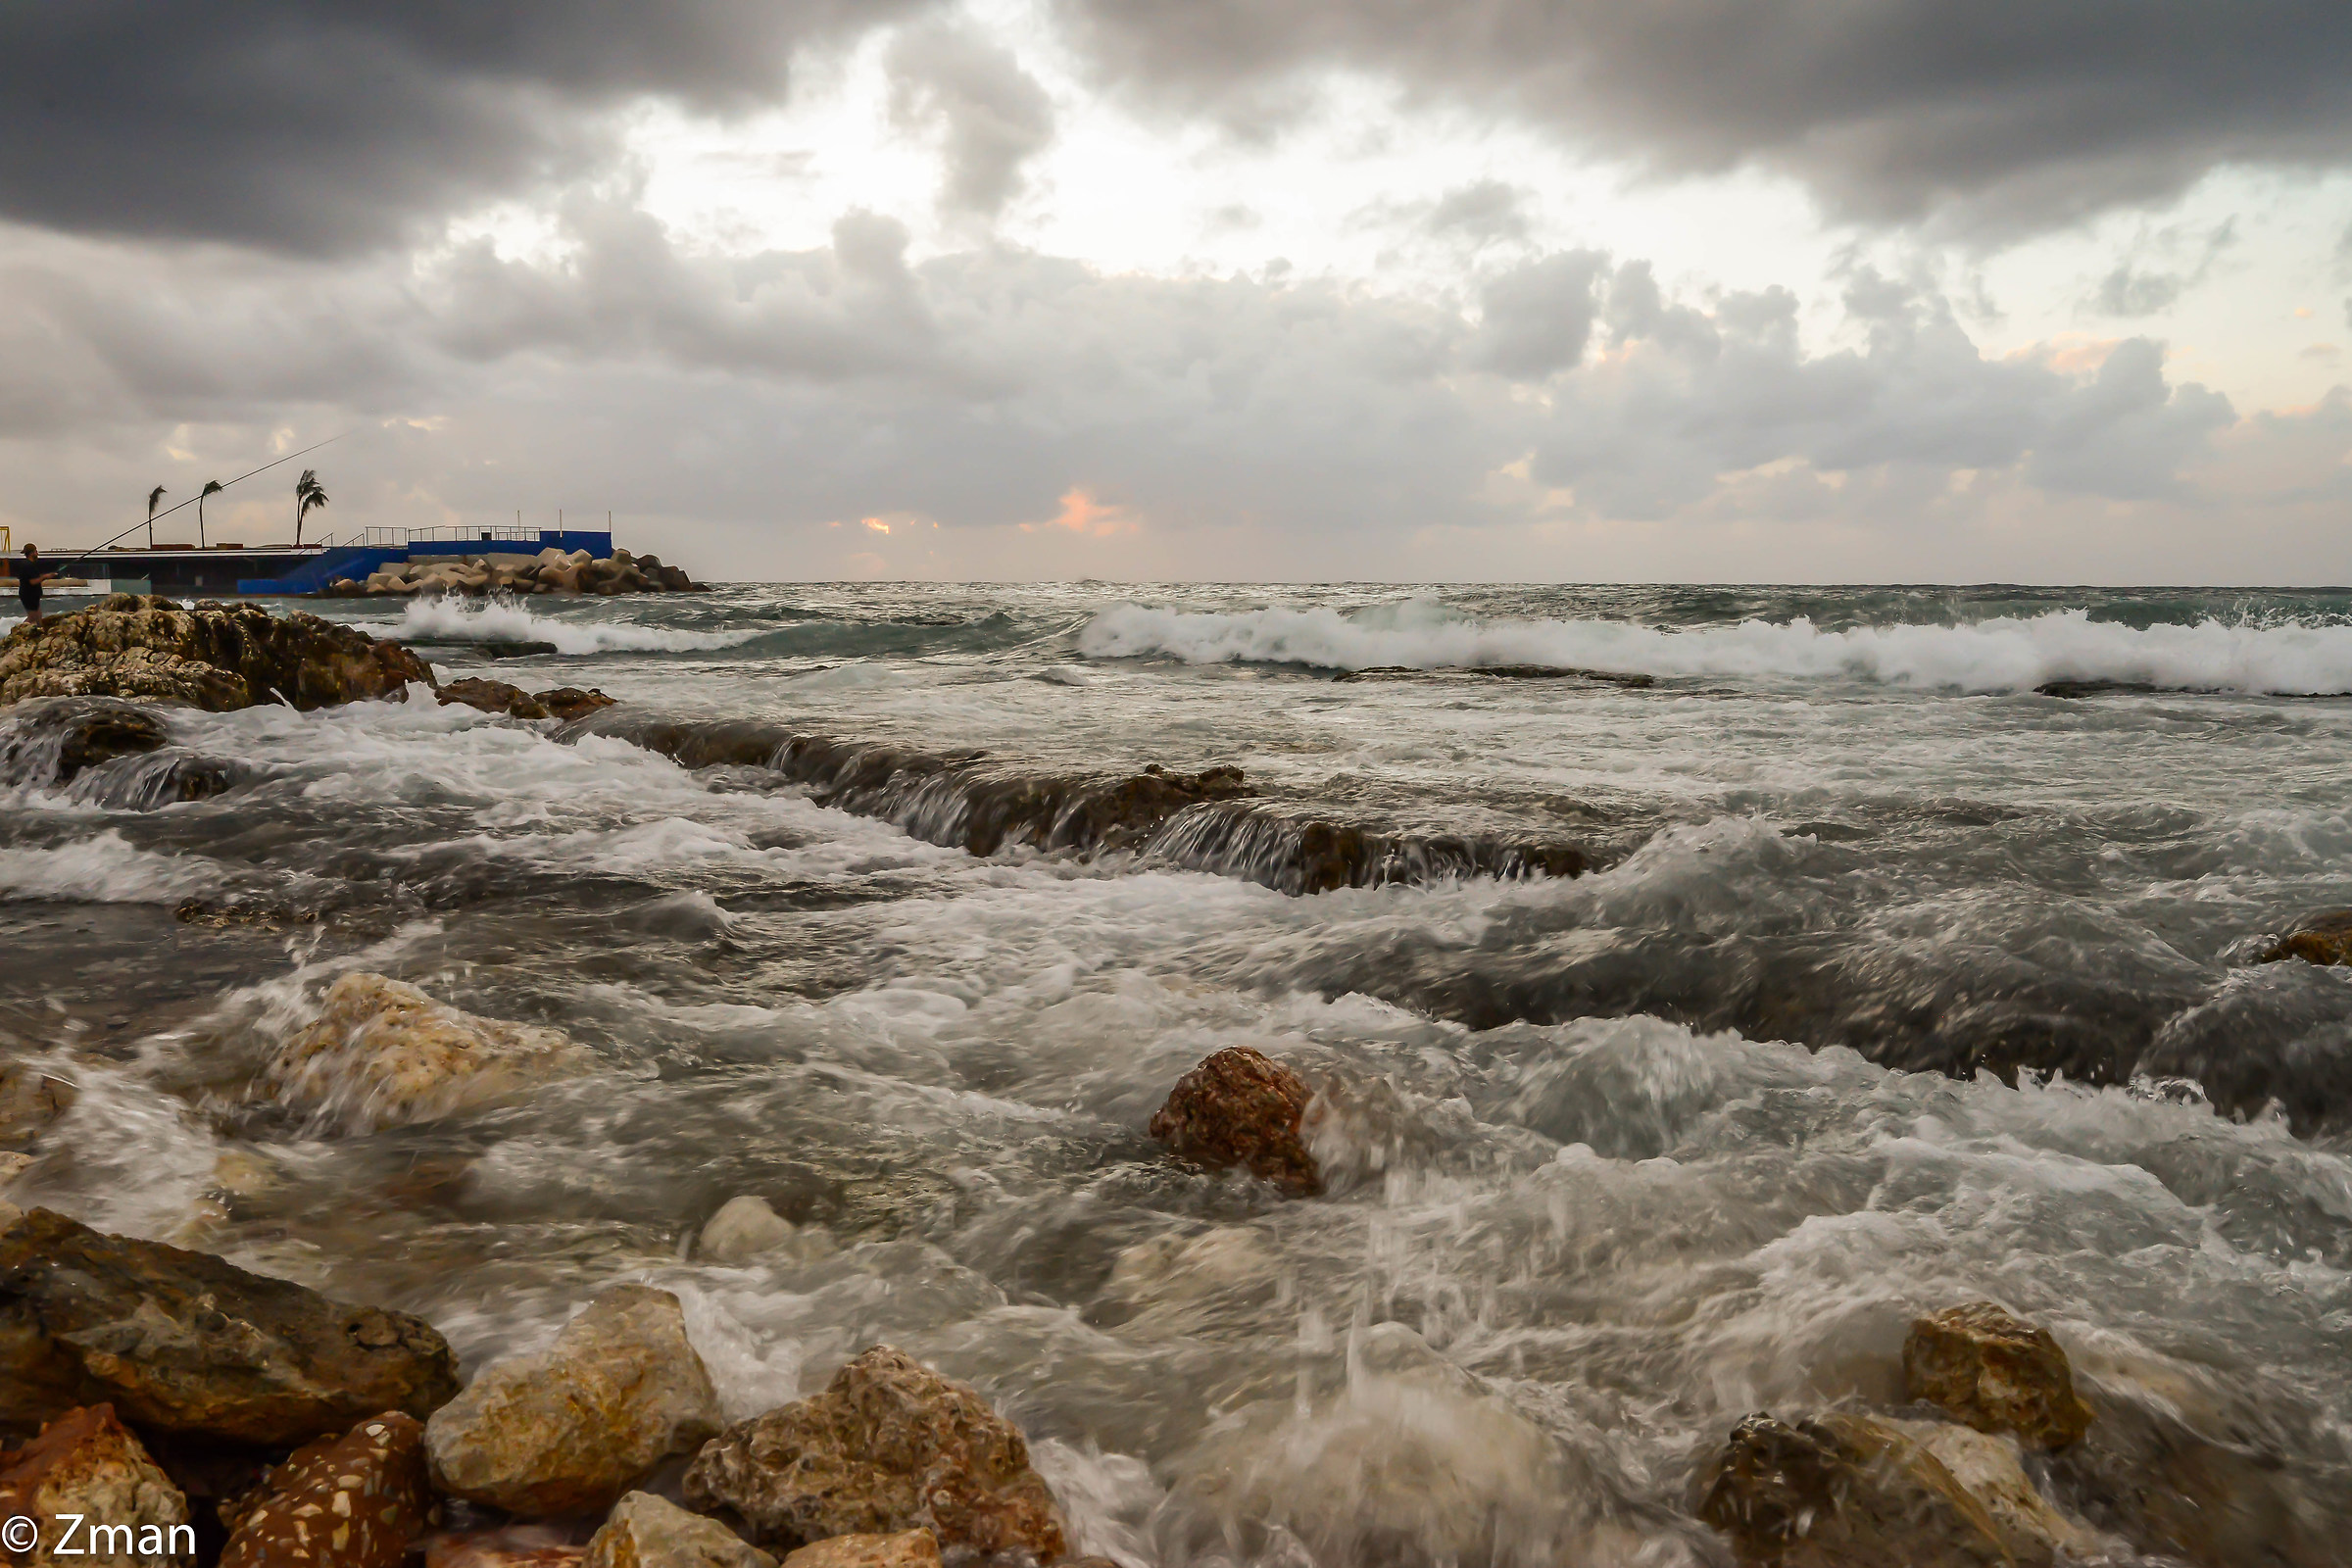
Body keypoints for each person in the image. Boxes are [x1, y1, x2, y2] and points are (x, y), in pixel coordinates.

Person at [17, 543, 56, 622]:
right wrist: (46, 577)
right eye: (36, 551)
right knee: (32, 617)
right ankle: (19, 631)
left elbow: (35, 576)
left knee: (38, 617)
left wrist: (47, 575)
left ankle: (40, 633)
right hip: (28, 595)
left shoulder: (30, 564)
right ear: (32, 553)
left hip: (32, 595)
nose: (37, 553)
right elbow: (33, 581)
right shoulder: (28, 566)